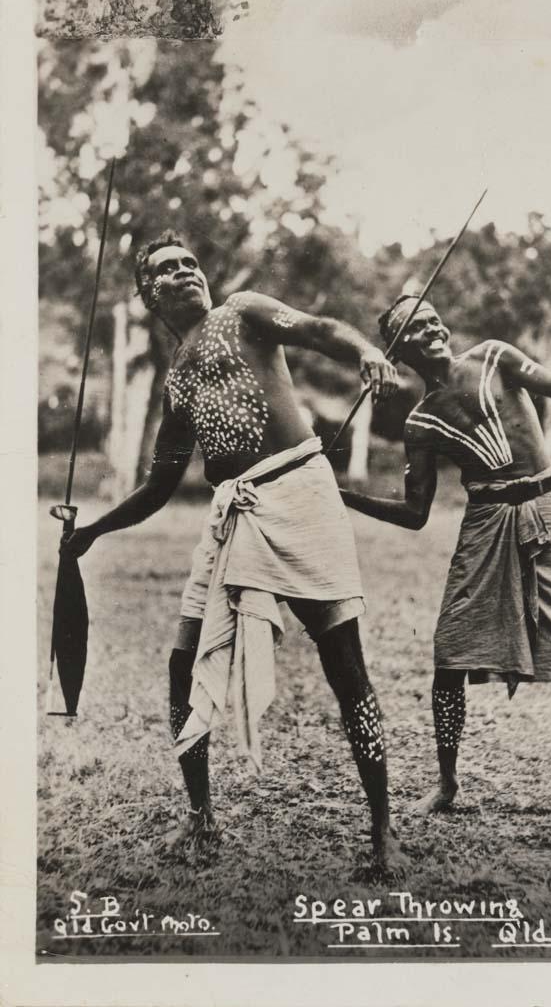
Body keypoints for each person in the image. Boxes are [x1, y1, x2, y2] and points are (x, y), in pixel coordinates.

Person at [63, 230, 406, 875]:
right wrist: (94, 531)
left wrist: (365, 349)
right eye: (168, 269)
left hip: (302, 494)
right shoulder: (174, 383)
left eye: (191, 262)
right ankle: (201, 819)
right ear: (147, 296)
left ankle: (383, 832)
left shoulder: (243, 310)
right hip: (232, 516)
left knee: (345, 664)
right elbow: (160, 484)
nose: (187, 271)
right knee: (181, 666)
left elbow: (318, 327)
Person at [340, 294, 551, 839]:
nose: (431, 328)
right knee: (451, 650)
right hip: (484, 522)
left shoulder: (495, 358)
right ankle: (448, 784)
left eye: (434, 319)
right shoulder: (420, 422)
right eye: (416, 326)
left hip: (546, 510)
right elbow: (414, 512)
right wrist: (342, 496)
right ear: (398, 349)